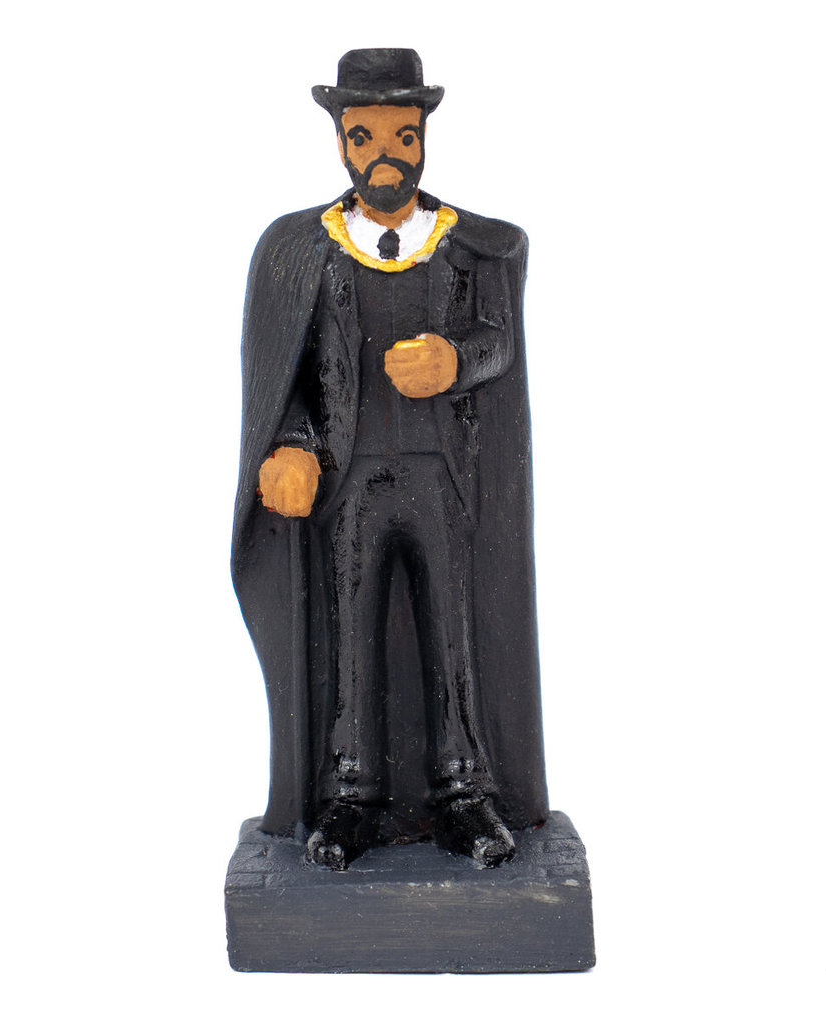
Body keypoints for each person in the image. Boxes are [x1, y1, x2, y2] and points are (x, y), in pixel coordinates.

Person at [231, 49, 549, 869]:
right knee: (350, 636)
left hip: (441, 478)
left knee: (452, 634)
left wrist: (456, 360)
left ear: (423, 139)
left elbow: (499, 341)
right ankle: (350, 794)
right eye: (364, 136)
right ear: (341, 141)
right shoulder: (307, 250)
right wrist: (293, 446)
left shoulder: (464, 248)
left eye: (403, 137)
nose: (385, 155)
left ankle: (463, 790)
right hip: (351, 485)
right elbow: (288, 372)